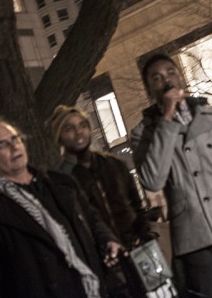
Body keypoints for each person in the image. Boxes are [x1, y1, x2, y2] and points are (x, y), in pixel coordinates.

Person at [130, 53, 212, 298]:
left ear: (179, 77)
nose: (166, 80)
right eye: (156, 78)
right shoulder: (143, 133)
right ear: (149, 88)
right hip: (194, 232)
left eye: (170, 72)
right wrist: (167, 118)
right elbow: (152, 179)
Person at [0, 119, 124, 298]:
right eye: (2, 144)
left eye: (16, 139)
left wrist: (107, 239)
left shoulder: (59, 184)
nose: (14, 147)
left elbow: (92, 219)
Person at [49, 105, 156, 297]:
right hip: (105, 265)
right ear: (59, 137)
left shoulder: (114, 164)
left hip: (140, 251)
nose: (78, 131)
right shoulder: (60, 180)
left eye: (82, 125)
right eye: (69, 128)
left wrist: (143, 234)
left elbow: (137, 204)